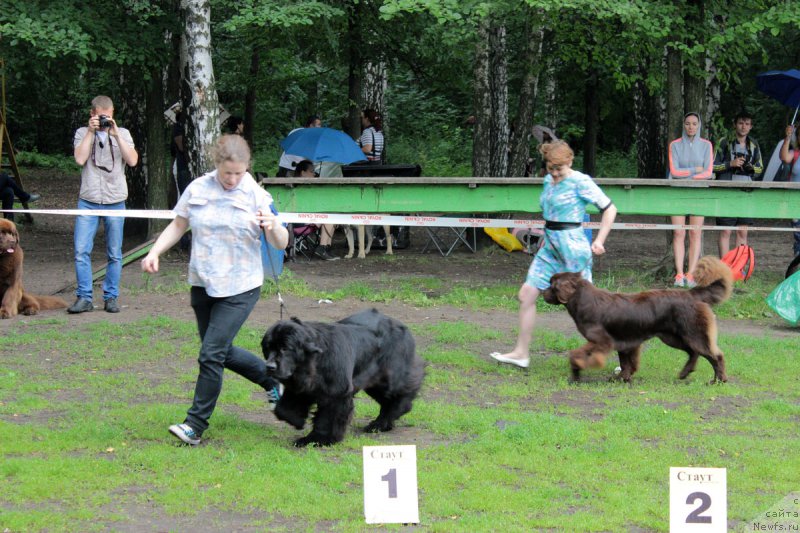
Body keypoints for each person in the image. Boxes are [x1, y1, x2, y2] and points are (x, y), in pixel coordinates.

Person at [141, 134, 289, 446]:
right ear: (217, 165)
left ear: (247, 167)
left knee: (210, 354)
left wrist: (272, 226)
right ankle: (271, 380)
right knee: (219, 350)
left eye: (239, 172)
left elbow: (281, 242)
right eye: (227, 173)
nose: (234, 179)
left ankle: (194, 425)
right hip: (203, 282)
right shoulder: (197, 188)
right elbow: (178, 225)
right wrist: (155, 252)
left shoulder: (257, 196)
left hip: (241, 286)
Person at [490, 140, 617, 368]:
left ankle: (621, 354)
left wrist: (599, 240)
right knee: (526, 294)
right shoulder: (548, 180)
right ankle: (521, 353)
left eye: (559, 169)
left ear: (569, 161)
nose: (555, 174)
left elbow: (610, 209)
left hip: (573, 248)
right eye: (551, 169)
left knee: (590, 308)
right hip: (549, 247)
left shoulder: (581, 182)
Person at [69, 95, 138, 314]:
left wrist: (116, 134)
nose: (104, 120)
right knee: (81, 250)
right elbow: (80, 159)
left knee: (115, 253)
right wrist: (91, 132)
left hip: (115, 199)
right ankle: (84, 297)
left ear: (113, 114)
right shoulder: (82, 132)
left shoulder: (123, 133)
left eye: (108, 116)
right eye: (100, 117)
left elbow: (133, 160)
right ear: (92, 114)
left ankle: (111, 297)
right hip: (88, 200)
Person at [667, 112, 713, 288]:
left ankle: (691, 274)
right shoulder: (675, 145)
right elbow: (675, 171)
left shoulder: (706, 145)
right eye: (687, 123)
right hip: (677, 193)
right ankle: (679, 273)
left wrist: (690, 175)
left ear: (699, 125)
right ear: (683, 125)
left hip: (699, 194)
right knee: (679, 232)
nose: (691, 127)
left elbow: (708, 172)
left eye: (694, 124)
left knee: (695, 233)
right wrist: (696, 170)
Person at [712, 111, 764, 257]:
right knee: (725, 230)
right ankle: (724, 268)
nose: (743, 126)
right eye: (741, 123)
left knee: (742, 231)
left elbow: (760, 167)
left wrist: (750, 168)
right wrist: (730, 164)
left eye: (747, 124)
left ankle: (738, 268)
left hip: (746, 192)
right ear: (735, 124)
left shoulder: (753, 144)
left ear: (751, 127)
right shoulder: (724, 141)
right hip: (726, 192)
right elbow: (712, 166)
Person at [292, 159, 339, 261]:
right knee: (328, 217)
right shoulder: (297, 187)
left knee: (332, 216)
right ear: (302, 172)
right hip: (297, 220)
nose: (314, 174)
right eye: (312, 171)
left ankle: (326, 247)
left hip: (307, 217)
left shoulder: (307, 186)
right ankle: (322, 248)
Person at [779, 123, 800, 256]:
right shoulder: (795, 154)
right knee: (798, 237)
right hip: (795, 203)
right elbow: (784, 157)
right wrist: (787, 138)